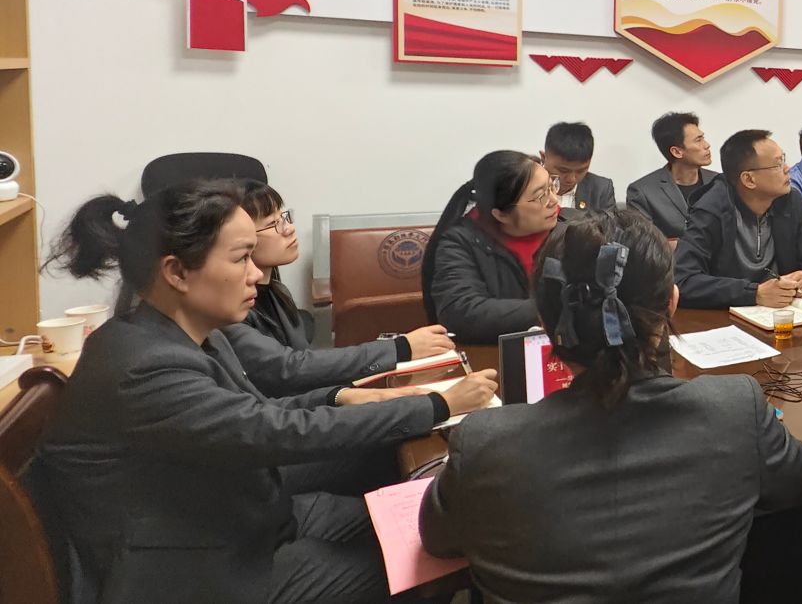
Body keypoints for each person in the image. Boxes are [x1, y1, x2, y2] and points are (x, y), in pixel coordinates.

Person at [33, 180, 498, 604]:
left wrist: (340, 397)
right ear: (176, 272)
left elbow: (254, 411)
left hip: (245, 519)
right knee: (427, 563)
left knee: (437, 526)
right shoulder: (145, 366)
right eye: (241, 259)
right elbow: (272, 432)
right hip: (204, 569)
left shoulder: (186, 332)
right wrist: (437, 404)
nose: (256, 274)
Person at [421, 208, 802, 604]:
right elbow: (795, 481)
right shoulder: (736, 411)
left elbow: (438, 537)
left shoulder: (485, 444)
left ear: (543, 319)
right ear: (671, 303)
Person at [221, 179, 455, 397]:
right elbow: (290, 368)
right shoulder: (227, 312)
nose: (289, 228)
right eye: (273, 224)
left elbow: (308, 364)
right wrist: (401, 349)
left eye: (284, 217)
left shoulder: (277, 291)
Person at [676, 130, 802, 309]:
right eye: (777, 164)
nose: (787, 168)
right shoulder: (711, 209)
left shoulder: (791, 202)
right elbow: (683, 280)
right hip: (727, 316)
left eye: (783, 159)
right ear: (749, 179)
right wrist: (754, 293)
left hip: (782, 313)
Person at [423, 150, 560, 342]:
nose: (554, 200)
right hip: (497, 353)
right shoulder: (461, 242)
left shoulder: (569, 227)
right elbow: (460, 312)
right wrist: (554, 309)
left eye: (552, 187)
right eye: (540, 196)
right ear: (501, 214)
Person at [626, 111, 721, 239]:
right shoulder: (643, 192)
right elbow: (642, 242)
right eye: (698, 140)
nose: (707, 145)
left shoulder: (720, 182)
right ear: (677, 152)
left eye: (703, 138)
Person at [542, 121, 614, 217]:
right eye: (563, 170)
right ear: (543, 157)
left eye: (581, 171)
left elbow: (610, 225)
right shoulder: (526, 186)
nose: (571, 179)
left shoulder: (601, 189)